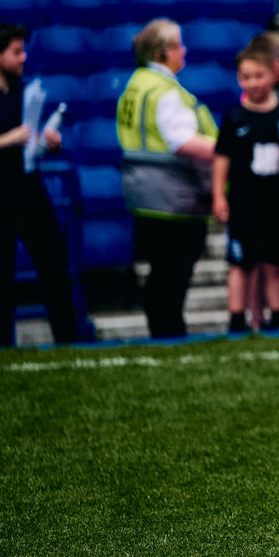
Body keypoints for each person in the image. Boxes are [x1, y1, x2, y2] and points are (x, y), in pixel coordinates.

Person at [0, 22, 81, 347]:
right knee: (0, 274)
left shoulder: (24, 92)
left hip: (29, 189)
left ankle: (69, 341)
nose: (23, 58)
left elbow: (29, 142)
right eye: (16, 52)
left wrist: (46, 142)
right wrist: (9, 139)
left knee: (54, 267)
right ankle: (2, 347)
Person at [117, 18, 218, 339]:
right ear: (163, 53)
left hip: (142, 190)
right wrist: (228, 150)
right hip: (170, 193)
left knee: (162, 271)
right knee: (173, 271)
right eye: (178, 45)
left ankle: (163, 330)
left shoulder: (135, 84)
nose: (183, 51)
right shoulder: (164, 90)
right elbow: (181, 140)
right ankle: (170, 333)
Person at [211, 46, 279, 333]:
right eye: (246, 77)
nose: (253, 83)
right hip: (243, 202)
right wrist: (219, 195)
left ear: (273, 74)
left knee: (275, 263)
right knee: (241, 264)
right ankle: (237, 319)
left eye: (258, 76)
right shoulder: (235, 116)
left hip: (276, 203)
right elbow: (221, 157)